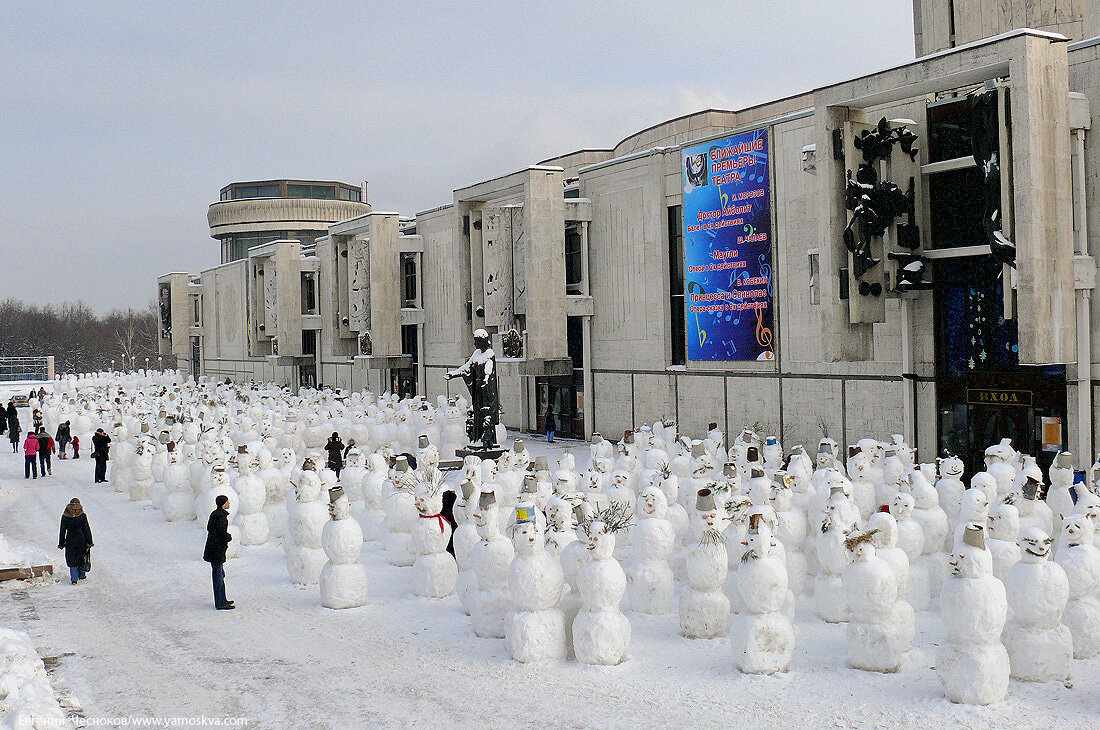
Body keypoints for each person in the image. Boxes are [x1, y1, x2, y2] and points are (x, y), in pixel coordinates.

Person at [203, 494, 235, 610]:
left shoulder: (215, 514)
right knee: (218, 576)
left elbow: (210, 529)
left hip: (213, 549)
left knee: (220, 574)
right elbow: (220, 532)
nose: (229, 503)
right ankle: (220, 603)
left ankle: (222, 599)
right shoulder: (220, 516)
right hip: (216, 550)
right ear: (222, 504)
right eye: (227, 502)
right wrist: (228, 537)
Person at [59, 498, 93, 584]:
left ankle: (74, 578)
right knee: (82, 556)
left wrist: (61, 543)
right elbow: (86, 529)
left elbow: (62, 530)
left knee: (71, 558)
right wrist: (89, 541)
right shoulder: (82, 516)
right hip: (81, 539)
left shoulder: (65, 516)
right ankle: (81, 575)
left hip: (70, 539)